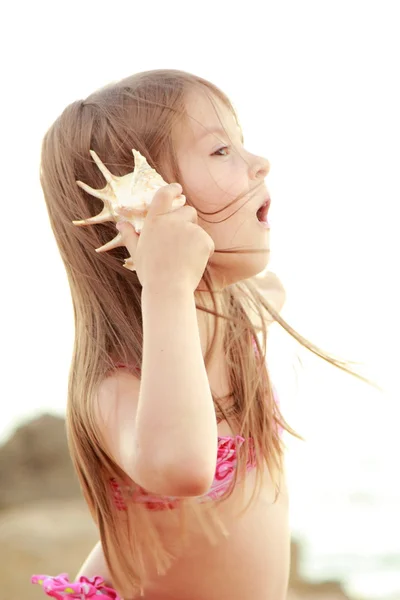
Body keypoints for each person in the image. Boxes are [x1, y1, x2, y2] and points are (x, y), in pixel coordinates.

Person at [31, 69, 368, 600]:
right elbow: (183, 468)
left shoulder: (244, 318)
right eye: (220, 151)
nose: (259, 163)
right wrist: (164, 285)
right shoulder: (115, 387)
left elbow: (267, 291)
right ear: (136, 205)